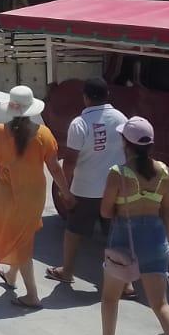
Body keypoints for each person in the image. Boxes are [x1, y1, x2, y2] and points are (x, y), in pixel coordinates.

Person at [82, 117, 169, 335]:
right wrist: (164, 241)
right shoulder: (164, 172)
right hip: (155, 238)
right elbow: (167, 212)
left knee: (110, 297)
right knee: (161, 304)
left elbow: (106, 211)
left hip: (124, 238)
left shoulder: (118, 173)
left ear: (125, 143)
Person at [0, 86, 73, 308]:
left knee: (21, 243)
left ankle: (32, 296)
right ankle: (11, 276)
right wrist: (66, 193)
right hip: (33, 195)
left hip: (7, 196)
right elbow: (55, 169)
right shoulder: (43, 134)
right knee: (22, 237)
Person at [46, 76, 128, 288]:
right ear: (107, 95)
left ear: (85, 98)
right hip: (114, 188)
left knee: (74, 232)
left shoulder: (80, 124)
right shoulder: (121, 119)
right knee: (115, 237)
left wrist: (66, 192)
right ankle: (126, 284)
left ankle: (67, 271)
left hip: (85, 190)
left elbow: (70, 162)